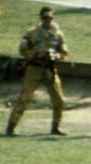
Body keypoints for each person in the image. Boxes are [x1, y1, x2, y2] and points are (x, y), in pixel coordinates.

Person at [6, 6, 69, 136]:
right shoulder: (32, 33)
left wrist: (56, 56)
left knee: (59, 99)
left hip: (50, 69)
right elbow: (22, 49)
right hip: (34, 68)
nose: (48, 20)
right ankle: (11, 127)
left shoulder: (58, 34)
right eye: (45, 18)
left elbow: (64, 51)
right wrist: (34, 55)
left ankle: (55, 127)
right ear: (40, 18)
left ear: (53, 18)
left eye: (50, 18)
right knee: (24, 98)